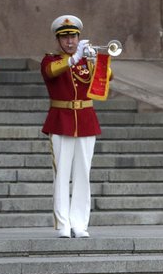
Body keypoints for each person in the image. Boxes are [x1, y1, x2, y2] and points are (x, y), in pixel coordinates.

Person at [41, 14, 112, 238]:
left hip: (85, 119)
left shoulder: (86, 60)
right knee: (61, 173)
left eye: (73, 37)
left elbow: (108, 77)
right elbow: (50, 72)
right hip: (60, 119)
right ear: (58, 40)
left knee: (83, 173)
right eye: (65, 38)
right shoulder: (51, 59)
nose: (69, 42)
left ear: (78, 37)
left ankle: (79, 223)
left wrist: (93, 60)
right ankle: (62, 223)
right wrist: (74, 58)